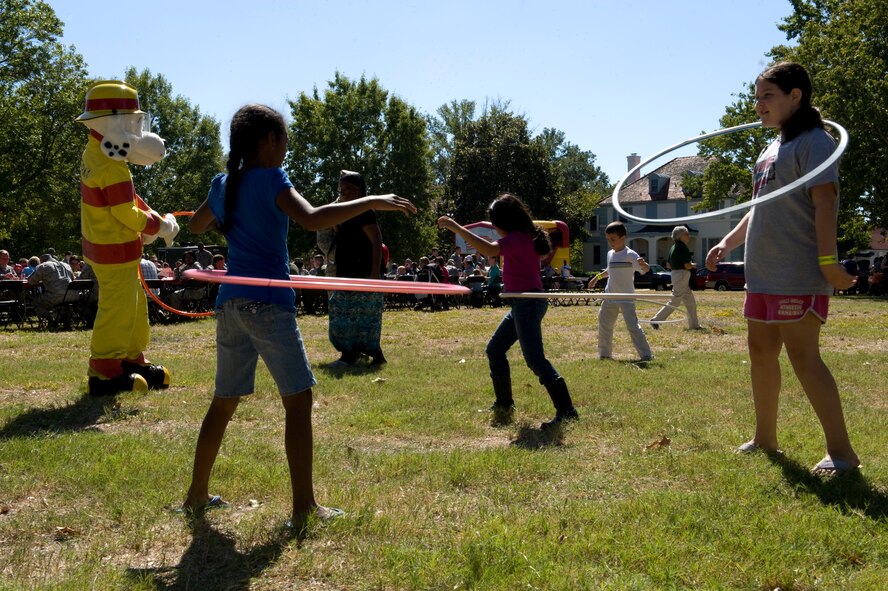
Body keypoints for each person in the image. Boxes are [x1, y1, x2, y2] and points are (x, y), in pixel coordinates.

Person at [183, 104, 415, 526]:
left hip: (232, 303)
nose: (287, 147)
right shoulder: (272, 179)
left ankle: (196, 495)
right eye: (285, 139)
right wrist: (372, 202)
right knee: (298, 400)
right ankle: (304, 507)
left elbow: (196, 226)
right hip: (268, 304)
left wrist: (230, 223)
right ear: (270, 140)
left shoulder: (224, 183)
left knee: (224, 401)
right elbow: (311, 219)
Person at [705, 62, 859, 475]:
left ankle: (842, 453)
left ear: (796, 96)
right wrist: (726, 242)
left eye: (767, 96)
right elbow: (757, 209)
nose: (758, 106)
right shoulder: (770, 149)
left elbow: (824, 202)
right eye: (756, 98)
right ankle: (765, 438)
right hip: (763, 273)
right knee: (760, 353)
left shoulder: (816, 142)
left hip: (796, 271)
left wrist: (828, 263)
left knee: (805, 358)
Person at [438, 194, 578, 429]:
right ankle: (504, 404)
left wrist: (455, 227)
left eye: (494, 223)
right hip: (521, 303)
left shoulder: (517, 239)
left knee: (535, 359)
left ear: (505, 222)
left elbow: (487, 249)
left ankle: (567, 411)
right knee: (495, 350)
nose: (493, 227)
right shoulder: (524, 237)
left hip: (528, 303)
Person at [326, 170, 388, 367]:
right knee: (341, 312)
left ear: (359, 190)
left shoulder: (365, 212)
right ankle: (353, 354)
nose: (343, 192)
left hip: (364, 271)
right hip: (345, 270)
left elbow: (377, 241)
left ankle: (358, 355)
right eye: (341, 188)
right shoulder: (342, 210)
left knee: (366, 316)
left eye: (348, 188)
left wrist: (375, 272)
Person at [588, 221, 653, 361]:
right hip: (610, 296)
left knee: (633, 327)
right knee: (604, 324)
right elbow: (609, 271)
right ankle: (605, 355)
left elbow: (645, 270)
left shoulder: (631, 254)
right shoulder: (610, 254)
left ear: (623, 238)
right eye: (608, 239)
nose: (610, 242)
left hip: (626, 298)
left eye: (613, 239)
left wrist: (645, 265)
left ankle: (646, 355)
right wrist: (596, 278)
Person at [650, 226, 701, 329]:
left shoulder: (673, 247)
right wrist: (693, 265)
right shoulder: (683, 247)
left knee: (690, 302)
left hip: (676, 274)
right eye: (686, 234)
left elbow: (668, 265)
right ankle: (656, 320)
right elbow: (687, 265)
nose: (688, 236)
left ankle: (694, 325)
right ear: (680, 236)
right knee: (675, 301)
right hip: (682, 275)